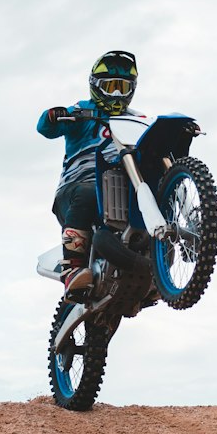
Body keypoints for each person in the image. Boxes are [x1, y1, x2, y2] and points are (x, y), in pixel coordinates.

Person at [38, 50, 139, 299]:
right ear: (96, 87)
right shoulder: (83, 111)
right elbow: (45, 128)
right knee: (87, 193)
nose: (116, 93)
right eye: (110, 87)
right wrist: (55, 115)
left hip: (123, 190)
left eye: (122, 87)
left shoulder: (135, 119)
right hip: (78, 188)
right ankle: (72, 269)